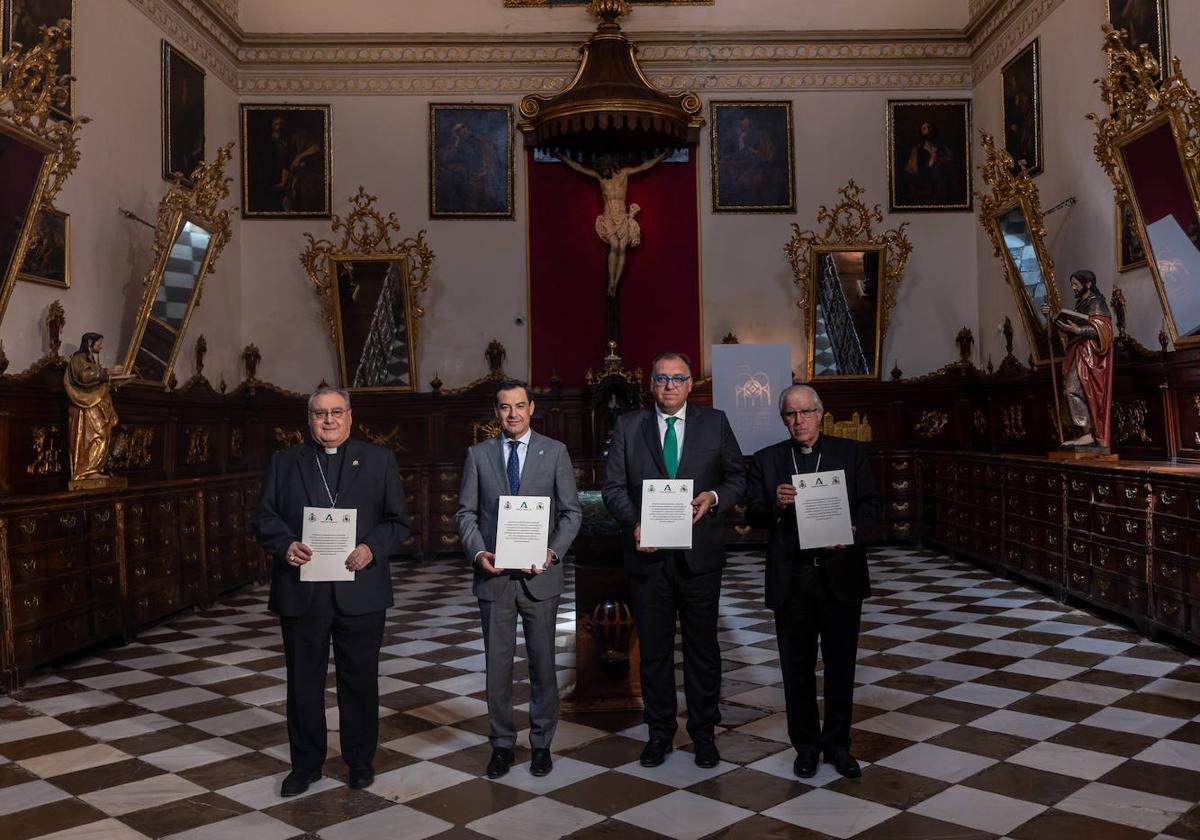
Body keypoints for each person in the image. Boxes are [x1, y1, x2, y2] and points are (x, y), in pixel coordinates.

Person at [252, 385, 411, 797]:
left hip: (360, 588)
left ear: (350, 416)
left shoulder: (378, 460)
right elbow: (264, 517)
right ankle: (305, 764)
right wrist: (285, 543)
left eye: (336, 412)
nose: (329, 420)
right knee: (303, 681)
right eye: (320, 414)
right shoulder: (285, 462)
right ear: (309, 421)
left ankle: (359, 761)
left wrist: (370, 548)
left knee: (359, 680)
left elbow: (398, 521)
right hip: (302, 591)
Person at [602, 352, 745, 769]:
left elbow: (737, 477)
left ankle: (704, 734)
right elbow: (613, 489)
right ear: (650, 384)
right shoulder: (628, 426)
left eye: (677, 378)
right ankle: (660, 732)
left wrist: (714, 498)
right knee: (655, 653)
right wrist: (635, 523)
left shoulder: (714, 422)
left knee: (703, 650)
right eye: (661, 378)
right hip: (648, 560)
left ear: (690, 385)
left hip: (699, 558)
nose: (669, 386)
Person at [744, 384, 880, 780]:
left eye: (805, 412)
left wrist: (854, 529)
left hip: (840, 571)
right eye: (790, 414)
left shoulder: (849, 453)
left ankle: (837, 745)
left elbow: (872, 503)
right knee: (796, 667)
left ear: (821, 414)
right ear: (783, 418)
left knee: (841, 665)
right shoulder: (769, 460)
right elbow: (752, 514)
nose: (798, 420)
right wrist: (775, 505)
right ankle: (805, 746)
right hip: (793, 576)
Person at [456, 379, 581, 779]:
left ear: (532, 408)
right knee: (498, 668)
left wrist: (551, 552)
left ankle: (541, 743)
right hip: (494, 578)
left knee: (543, 665)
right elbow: (465, 514)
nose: (512, 414)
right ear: (497, 412)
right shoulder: (479, 455)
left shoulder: (555, 452)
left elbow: (571, 513)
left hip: (540, 576)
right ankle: (502, 744)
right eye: (504, 407)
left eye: (519, 406)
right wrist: (478, 552)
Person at [556, 150, 668, 296]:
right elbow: (579, 168)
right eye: (601, 171)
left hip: (622, 216)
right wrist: (563, 157)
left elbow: (643, 167)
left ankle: (615, 281)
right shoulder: (601, 179)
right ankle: (611, 281)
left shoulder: (624, 174)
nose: (603, 172)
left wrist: (660, 157)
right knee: (614, 246)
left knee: (622, 248)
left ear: (610, 166)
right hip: (608, 217)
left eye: (604, 169)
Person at [1041, 269, 1115, 449]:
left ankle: (1088, 434)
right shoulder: (1080, 305)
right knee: (1071, 390)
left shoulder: (1096, 302)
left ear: (1088, 284)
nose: (1073, 288)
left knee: (1074, 390)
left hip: (1090, 354)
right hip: (1077, 351)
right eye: (1072, 284)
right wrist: (1050, 317)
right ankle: (1084, 433)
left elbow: (1104, 330)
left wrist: (1080, 330)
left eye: (1076, 284)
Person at [64, 333, 119, 484]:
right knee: (95, 436)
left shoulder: (90, 360)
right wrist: (106, 372)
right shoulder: (78, 359)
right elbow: (83, 376)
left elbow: (97, 381)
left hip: (96, 404)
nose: (101, 346)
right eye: (99, 343)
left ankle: (94, 469)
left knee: (103, 434)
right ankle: (87, 471)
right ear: (89, 342)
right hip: (86, 406)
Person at [903, 120, 955, 205]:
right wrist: (932, 157)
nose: (927, 130)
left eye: (929, 127)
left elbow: (950, 158)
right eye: (924, 128)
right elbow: (918, 168)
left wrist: (940, 159)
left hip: (942, 179)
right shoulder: (918, 149)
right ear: (921, 132)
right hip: (926, 179)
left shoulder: (941, 145)